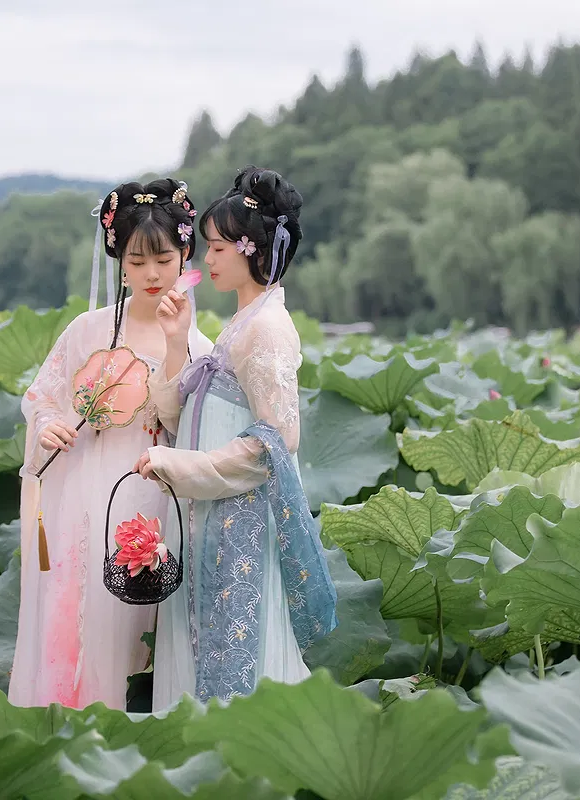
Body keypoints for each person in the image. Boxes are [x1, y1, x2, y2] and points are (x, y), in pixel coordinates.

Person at [133, 166, 338, 710]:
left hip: (240, 519)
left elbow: (276, 442)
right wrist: (176, 340)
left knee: (240, 665)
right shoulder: (242, 323)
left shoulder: (267, 328)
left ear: (252, 250)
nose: (207, 260)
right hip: (211, 514)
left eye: (218, 248)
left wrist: (180, 467)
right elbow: (176, 412)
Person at [8, 177, 213, 710]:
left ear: (185, 257)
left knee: (140, 629)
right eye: (137, 261)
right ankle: (71, 726)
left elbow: (184, 424)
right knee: (80, 620)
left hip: (152, 495)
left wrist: (175, 344)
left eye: (163, 260)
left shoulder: (199, 344)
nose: (152, 274)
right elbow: (41, 396)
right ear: (120, 262)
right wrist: (47, 424)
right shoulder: (86, 330)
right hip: (83, 491)